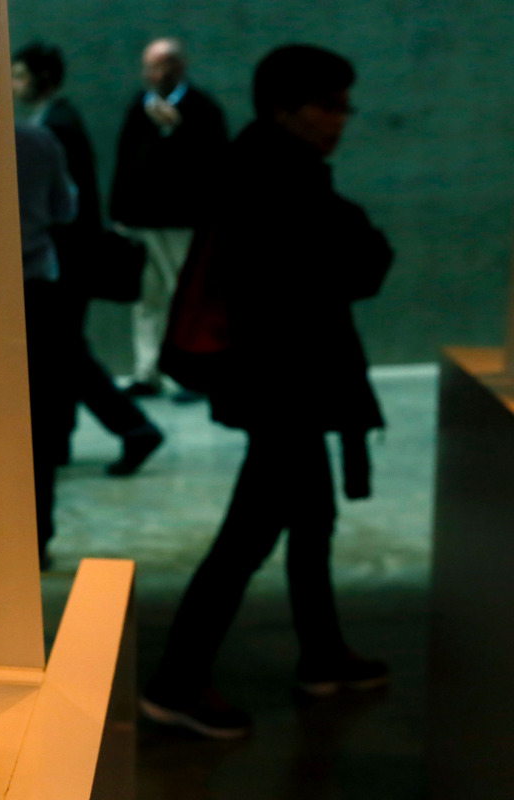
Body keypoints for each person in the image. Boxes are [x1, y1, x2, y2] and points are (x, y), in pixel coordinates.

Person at [140, 45, 394, 739]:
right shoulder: (277, 176)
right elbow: (360, 262)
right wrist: (357, 240)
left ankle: (322, 654)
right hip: (284, 385)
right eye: (329, 105)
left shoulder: (265, 165)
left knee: (311, 519)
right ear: (285, 109)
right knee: (249, 537)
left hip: (284, 384)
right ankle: (176, 683)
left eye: (344, 104)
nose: (341, 118)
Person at [12, 41, 164, 478]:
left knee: (66, 355)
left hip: (63, 263)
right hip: (64, 261)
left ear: (42, 78)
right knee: (63, 354)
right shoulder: (54, 123)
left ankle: (133, 429)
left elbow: (65, 208)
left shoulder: (56, 127)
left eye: (20, 75)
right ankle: (65, 439)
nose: (15, 84)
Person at [109, 37, 227, 397]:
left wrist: (177, 128)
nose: (155, 74)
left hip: (184, 221)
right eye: (150, 66)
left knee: (185, 297)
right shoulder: (139, 107)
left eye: (163, 66)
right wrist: (118, 211)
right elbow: (124, 159)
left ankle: (188, 374)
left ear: (180, 67)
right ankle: (147, 371)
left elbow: (216, 162)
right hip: (142, 220)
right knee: (147, 298)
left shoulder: (202, 108)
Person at [13, 119, 77, 569]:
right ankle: (35, 537)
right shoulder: (38, 140)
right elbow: (65, 208)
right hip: (34, 286)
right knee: (37, 421)